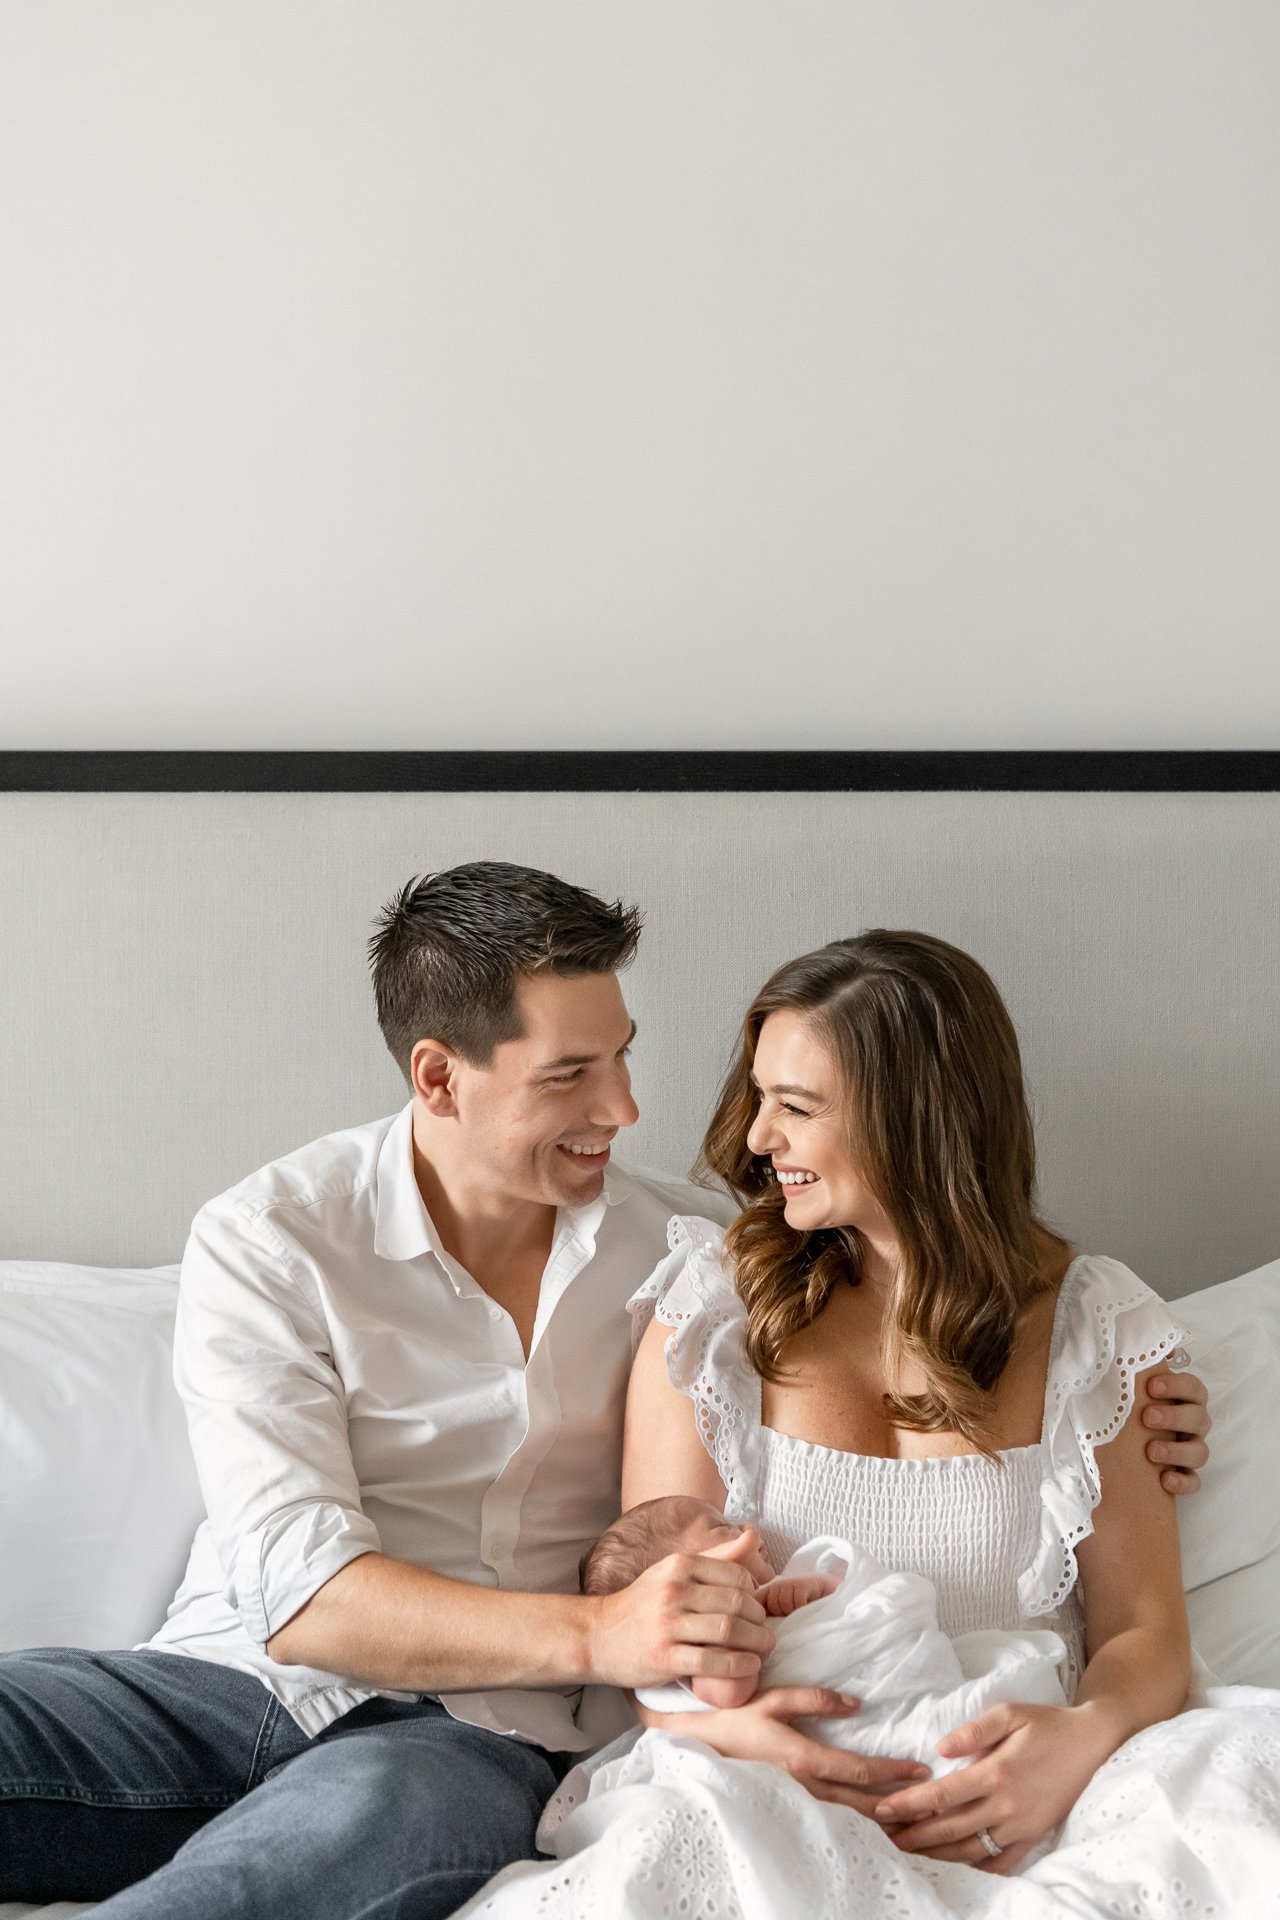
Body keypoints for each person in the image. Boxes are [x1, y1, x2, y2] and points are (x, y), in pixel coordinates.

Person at [0, 875, 1212, 1919]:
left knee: (329, 1838)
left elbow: (1107, 1560)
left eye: (623, 1053)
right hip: (224, 1681)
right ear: (438, 1077)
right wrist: (607, 1636)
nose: (629, 1110)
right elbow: (303, 1596)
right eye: (574, 1073)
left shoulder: (684, 1256)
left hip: (471, 1735)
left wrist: (1127, 1399)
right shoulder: (275, 1239)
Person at [458, 930, 1279, 1920]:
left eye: (795, 1108)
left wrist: (1079, 1741)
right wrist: (741, 1740)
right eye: (758, 1097)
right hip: (773, 1773)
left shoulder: (1089, 1324)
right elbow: (659, 1619)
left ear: (916, 1126)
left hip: (1031, 1775)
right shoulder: (710, 1315)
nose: (759, 1137)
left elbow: (1142, 1628)